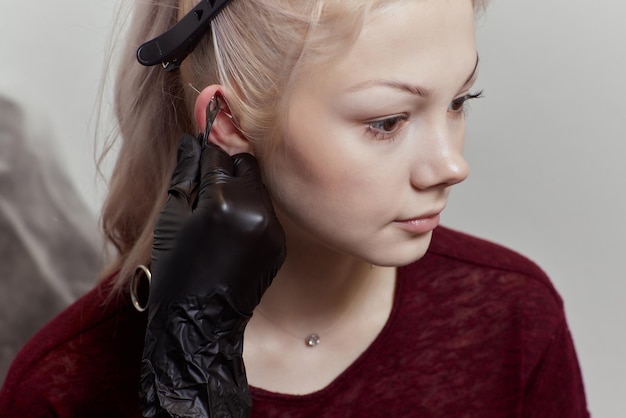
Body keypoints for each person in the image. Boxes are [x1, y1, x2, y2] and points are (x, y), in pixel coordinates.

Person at [0, 0, 590, 416]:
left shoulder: (512, 316)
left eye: (461, 100)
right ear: (226, 122)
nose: (451, 165)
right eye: (386, 121)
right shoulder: (63, 385)